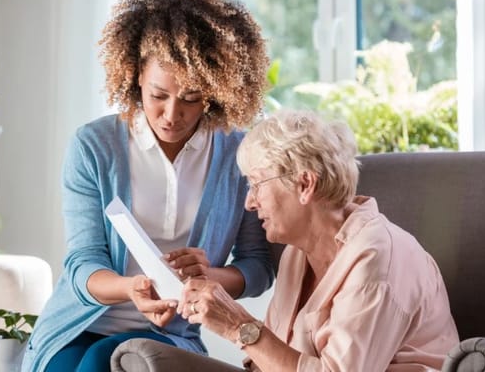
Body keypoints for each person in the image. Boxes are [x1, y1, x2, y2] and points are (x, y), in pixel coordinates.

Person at [21, 0, 275, 372]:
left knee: (97, 365)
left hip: (169, 331)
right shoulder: (94, 146)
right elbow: (83, 263)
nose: (172, 114)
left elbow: (257, 267)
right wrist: (131, 289)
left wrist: (209, 276)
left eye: (191, 98)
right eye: (159, 95)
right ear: (137, 75)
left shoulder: (238, 156)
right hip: (80, 323)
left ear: (214, 91)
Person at [178, 109, 459, 371]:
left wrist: (237, 325)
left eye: (257, 184)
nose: (249, 203)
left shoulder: (378, 258)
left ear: (305, 185)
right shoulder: (296, 255)